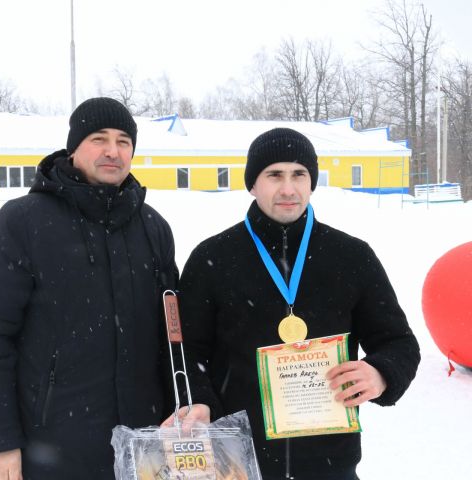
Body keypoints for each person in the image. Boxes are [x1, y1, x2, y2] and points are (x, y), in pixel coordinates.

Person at [167, 127, 420, 479]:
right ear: (253, 184)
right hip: (240, 462)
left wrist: (380, 373)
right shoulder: (213, 258)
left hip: (330, 464)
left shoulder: (351, 256)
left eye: (299, 174)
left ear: (312, 182)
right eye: (274, 175)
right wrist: (201, 401)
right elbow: (187, 352)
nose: (288, 189)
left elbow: (399, 342)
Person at [0, 97, 178, 480]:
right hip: (54, 448)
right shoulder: (24, 222)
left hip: (144, 446)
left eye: (124, 141)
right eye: (99, 138)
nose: (113, 151)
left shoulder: (153, 227)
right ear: (74, 147)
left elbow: (172, 339)